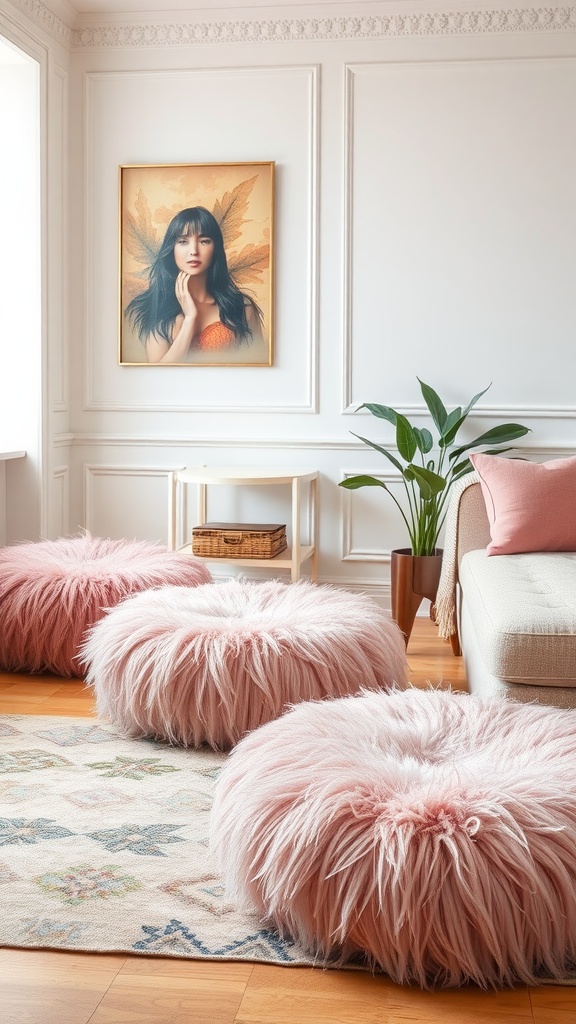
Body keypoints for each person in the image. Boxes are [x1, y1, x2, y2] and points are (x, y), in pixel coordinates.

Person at [125, 206, 264, 364]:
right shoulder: (155, 307)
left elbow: (258, 372)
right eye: (183, 241)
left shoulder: (242, 310)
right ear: (172, 249)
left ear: (215, 248)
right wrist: (190, 318)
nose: (194, 250)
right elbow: (159, 376)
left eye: (204, 241)